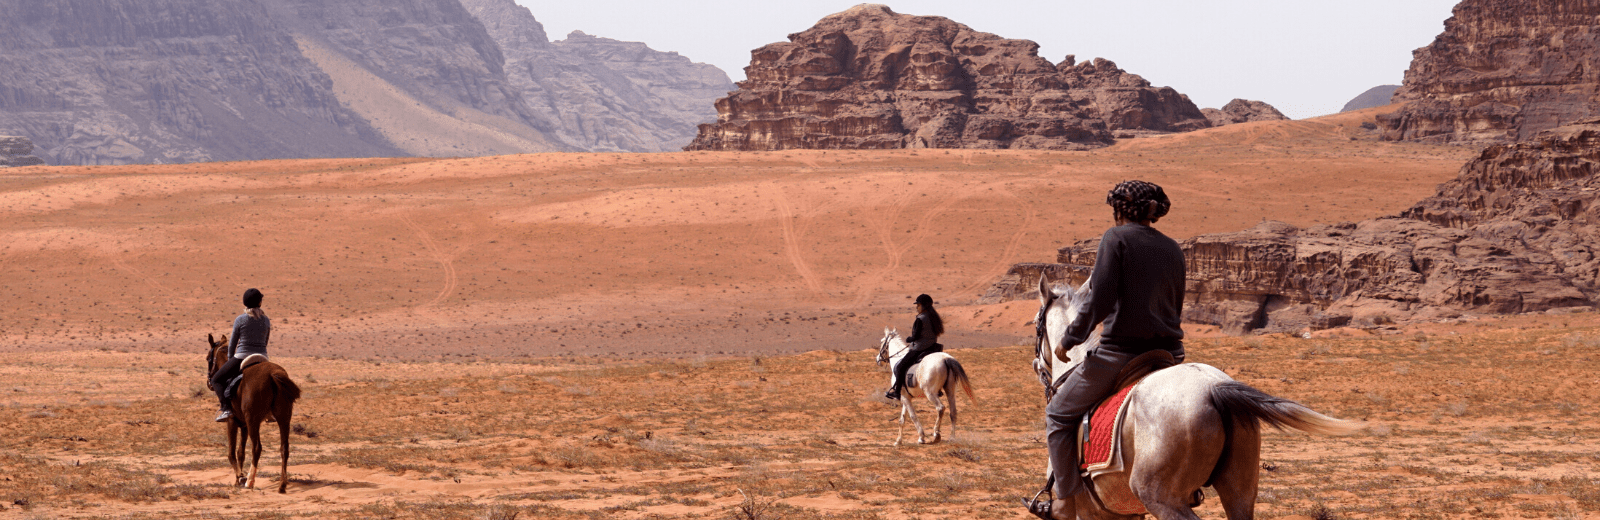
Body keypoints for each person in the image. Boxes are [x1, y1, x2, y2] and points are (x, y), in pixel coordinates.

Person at [1024, 180, 1187, 520]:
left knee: (1056, 415)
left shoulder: (1115, 239)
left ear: (1119, 210)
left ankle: (1066, 503)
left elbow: (1099, 299)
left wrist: (1070, 338)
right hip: (1171, 356)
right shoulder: (1173, 247)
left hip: (1121, 354)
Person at [211, 288, 271, 422]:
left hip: (242, 356)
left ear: (245, 303)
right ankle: (270, 410)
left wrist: (230, 358)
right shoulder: (266, 320)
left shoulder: (240, 319)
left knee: (216, 379)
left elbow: (232, 343)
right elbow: (266, 341)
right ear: (260, 303)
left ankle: (226, 409)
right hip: (262, 357)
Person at [885, 293, 944, 400]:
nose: (917, 307)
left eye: (918, 305)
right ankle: (938, 389)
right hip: (932, 347)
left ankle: (897, 393)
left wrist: (909, 339)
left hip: (920, 348)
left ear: (924, 306)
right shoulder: (934, 318)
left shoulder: (920, 319)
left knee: (900, 367)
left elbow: (916, 336)